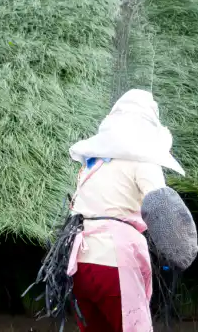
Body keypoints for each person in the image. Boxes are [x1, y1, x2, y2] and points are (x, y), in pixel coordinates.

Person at [66, 89, 186, 332]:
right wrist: (180, 249)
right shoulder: (144, 159)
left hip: (79, 262)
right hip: (114, 262)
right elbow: (161, 207)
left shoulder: (95, 162)